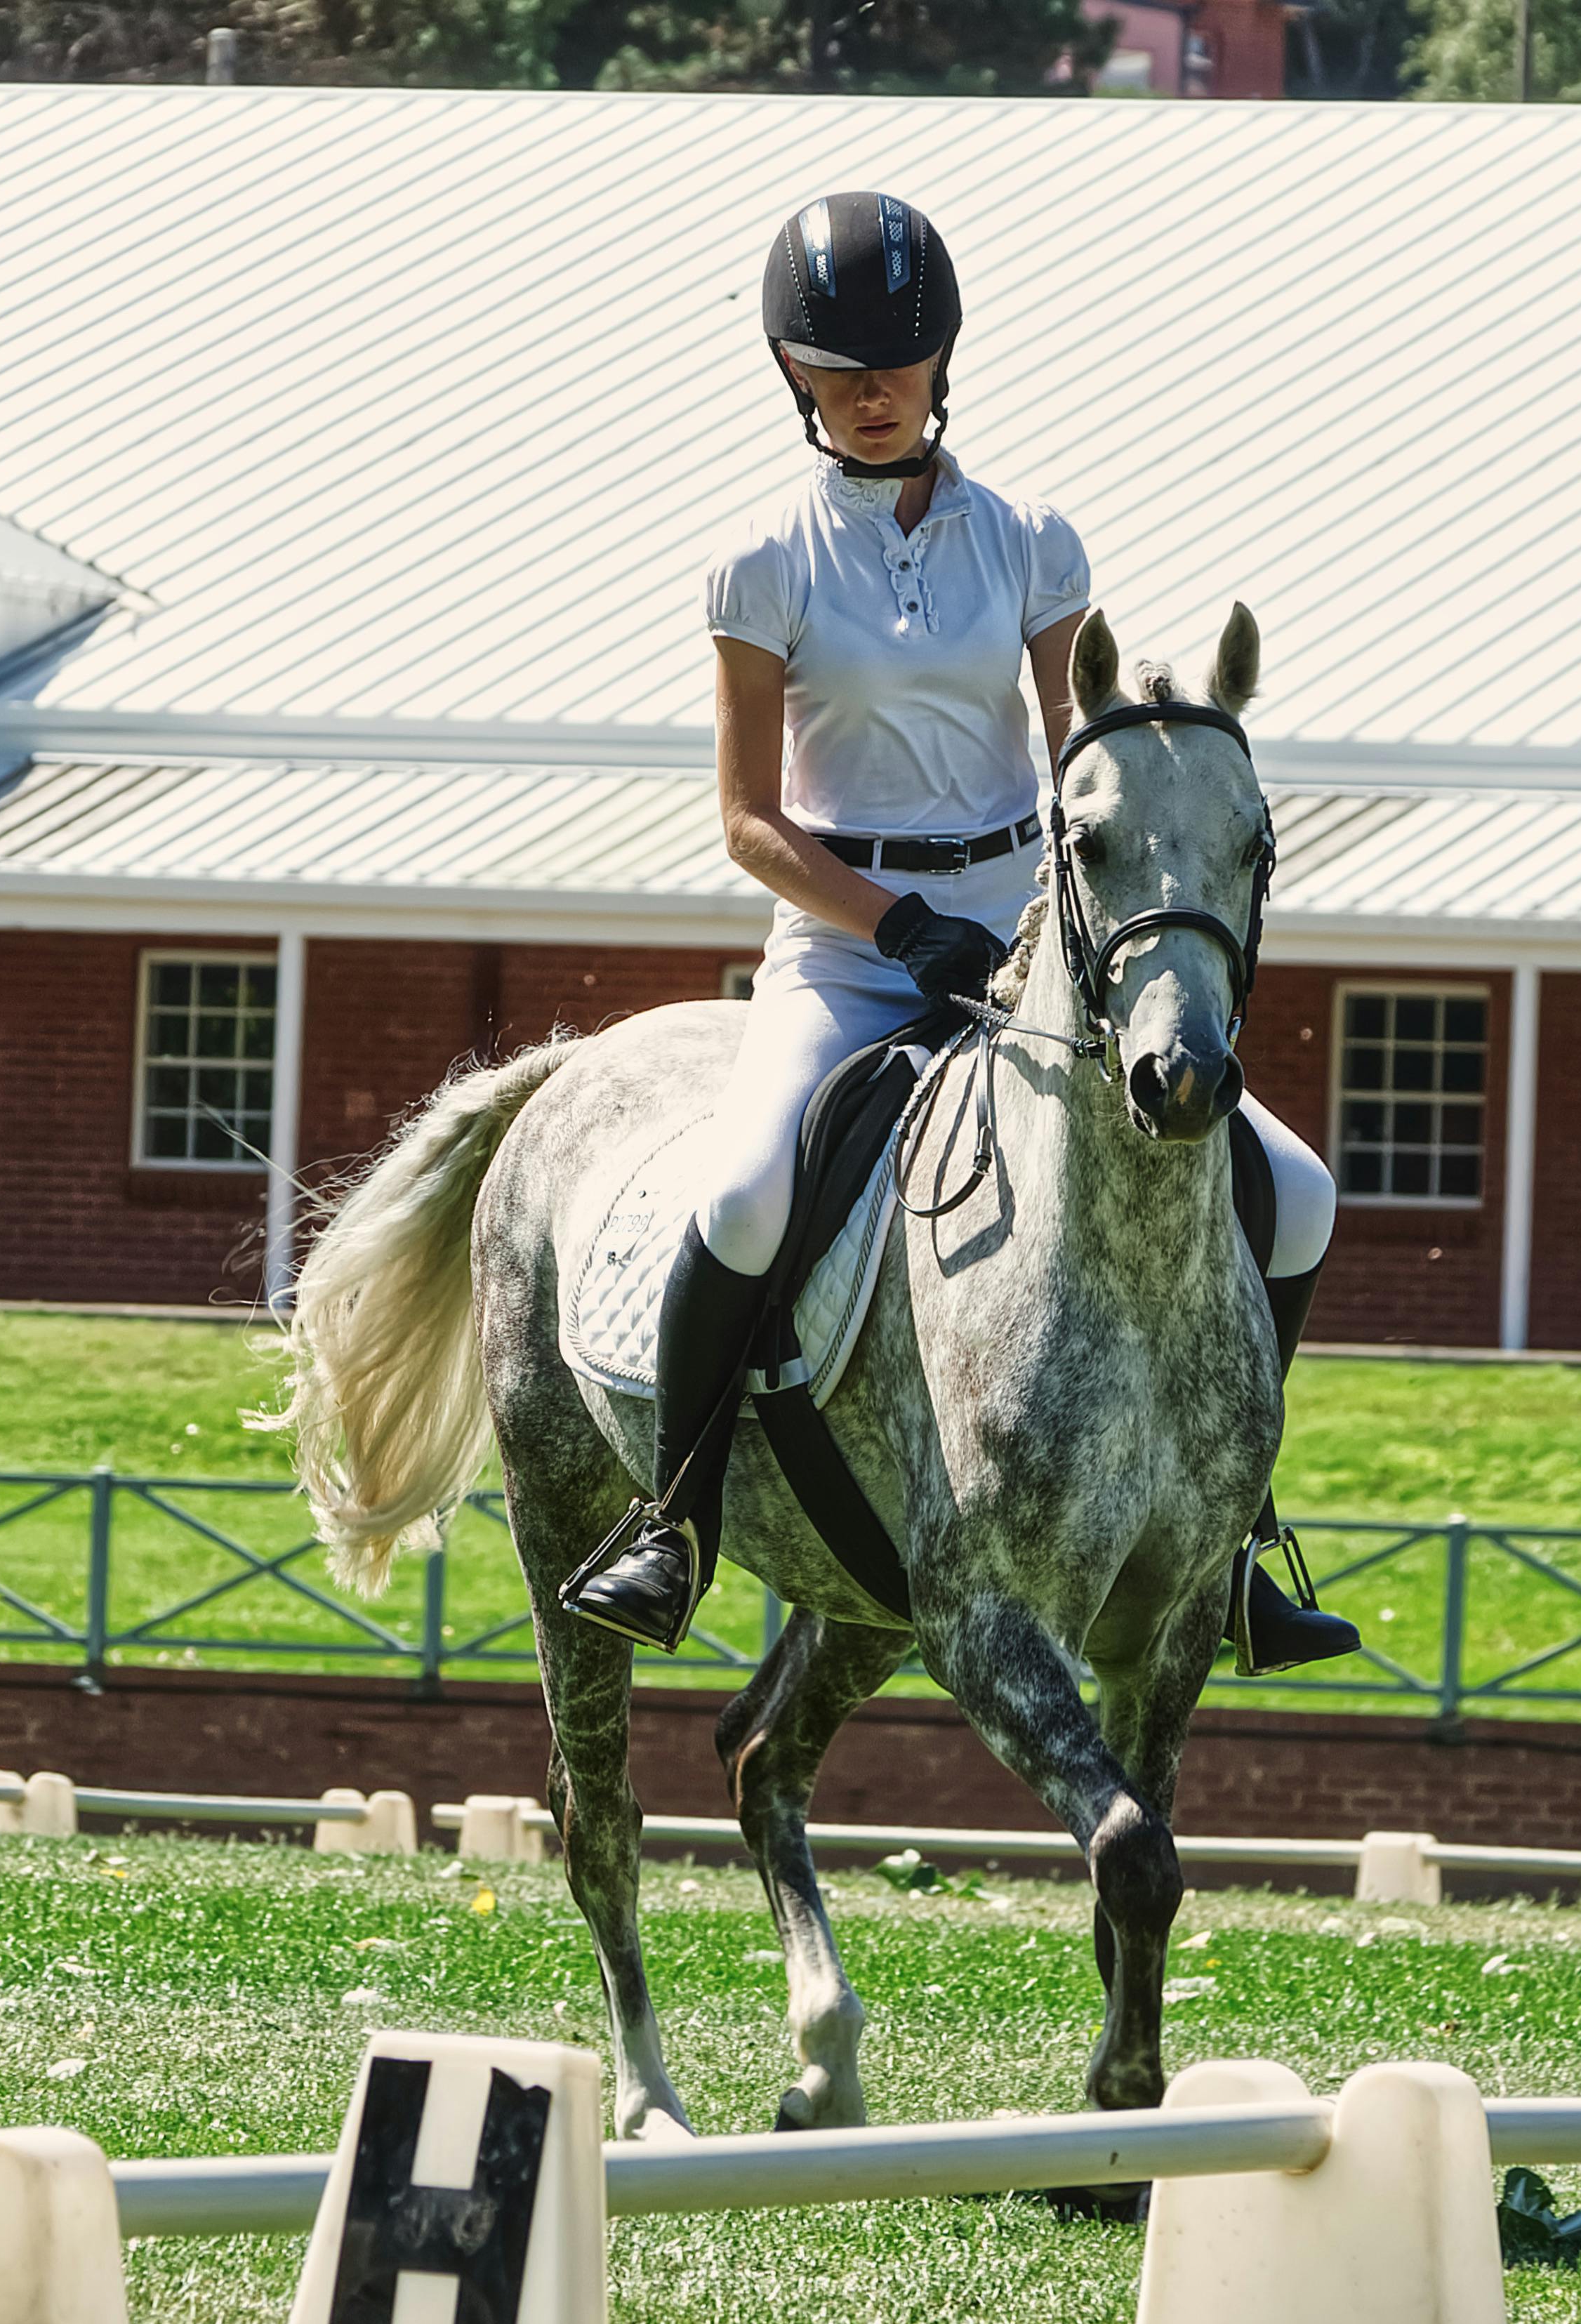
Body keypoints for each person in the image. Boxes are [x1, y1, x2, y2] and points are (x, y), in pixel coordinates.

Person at [562, 191, 1354, 1677]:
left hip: (1024, 933)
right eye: (837, 371)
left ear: (943, 362)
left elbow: (1081, 755)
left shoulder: (1031, 542)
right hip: (847, 947)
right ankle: (671, 1520)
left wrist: (1059, 906)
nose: (872, 397)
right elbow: (745, 819)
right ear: (792, 376)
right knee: (739, 1197)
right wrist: (892, 922)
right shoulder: (762, 563)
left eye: (898, 366)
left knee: (1293, 1192)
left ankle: (1239, 1533)